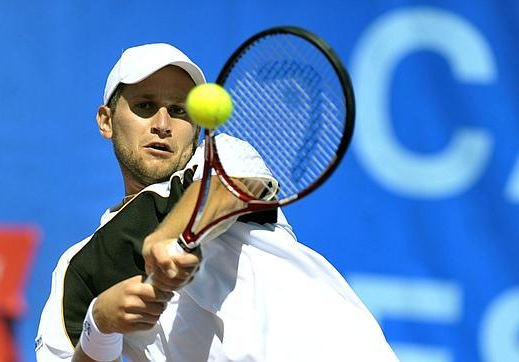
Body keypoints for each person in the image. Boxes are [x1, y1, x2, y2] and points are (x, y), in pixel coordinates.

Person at [36, 43, 398, 362]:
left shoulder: (223, 156)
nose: (162, 124)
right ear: (106, 120)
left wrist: (168, 237)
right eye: (145, 106)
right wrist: (100, 326)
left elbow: (223, 192)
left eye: (179, 111)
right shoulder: (78, 268)